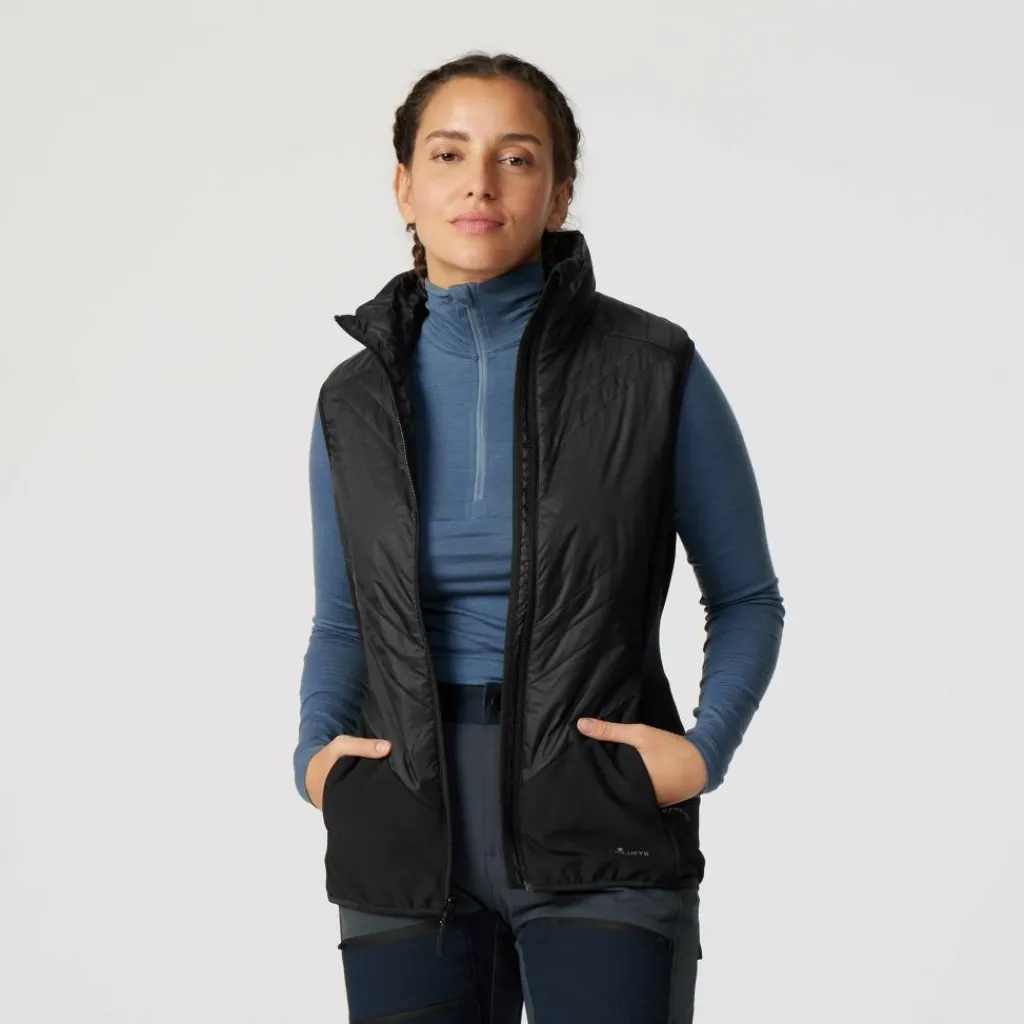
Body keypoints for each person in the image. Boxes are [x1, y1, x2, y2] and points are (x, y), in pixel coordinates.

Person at [294, 51, 785, 1023]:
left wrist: (703, 751)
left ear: (558, 193)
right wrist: (316, 759)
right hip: (403, 825)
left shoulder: (652, 370)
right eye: (448, 154)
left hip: (599, 817)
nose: (479, 182)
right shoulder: (352, 401)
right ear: (404, 186)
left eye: (515, 157)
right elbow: (343, 621)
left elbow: (746, 599)